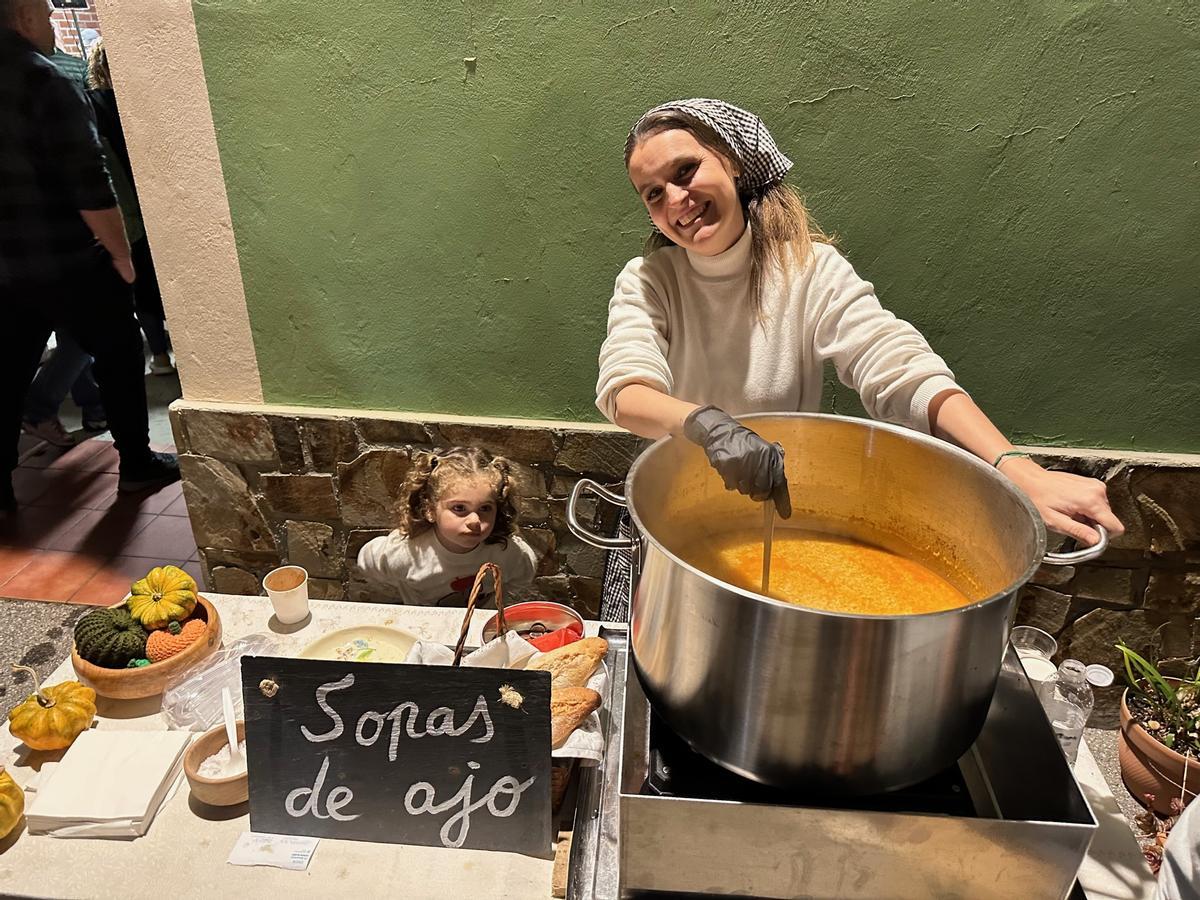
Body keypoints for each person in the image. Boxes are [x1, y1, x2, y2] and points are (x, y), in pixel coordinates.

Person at [598, 98, 1124, 544]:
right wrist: (705, 424)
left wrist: (1015, 466)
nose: (676, 200)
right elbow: (626, 390)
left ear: (732, 163)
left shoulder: (807, 268)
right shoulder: (647, 279)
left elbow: (897, 365)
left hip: (772, 517)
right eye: (653, 194)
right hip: (671, 519)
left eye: (685, 171)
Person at [0, 0, 179, 513]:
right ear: (22, 14)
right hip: (68, 261)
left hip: (7, 270)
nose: (54, 19)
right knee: (121, 354)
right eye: (46, 8)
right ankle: (137, 466)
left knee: (7, 369)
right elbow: (90, 184)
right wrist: (123, 258)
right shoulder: (45, 79)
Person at [86, 37, 175, 376]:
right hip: (160, 201)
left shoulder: (93, 105)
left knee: (143, 288)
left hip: (129, 212)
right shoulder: (144, 103)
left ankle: (160, 355)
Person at [356, 447, 538, 605]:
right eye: (459, 508)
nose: (475, 520)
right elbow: (367, 562)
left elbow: (524, 573)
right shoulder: (407, 551)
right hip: (424, 628)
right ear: (430, 510)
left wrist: (500, 598)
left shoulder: (506, 551)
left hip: (480, 627)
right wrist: (400, 591)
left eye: (485, 508)